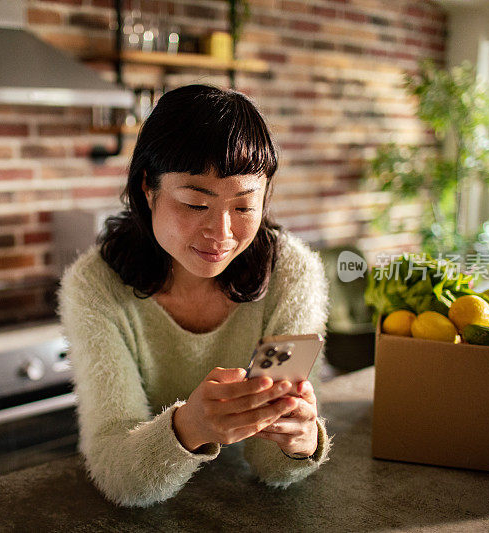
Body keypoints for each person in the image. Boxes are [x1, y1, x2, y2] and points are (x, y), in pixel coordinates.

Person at [58, 84, 331, 507]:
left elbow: (271, 463)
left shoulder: (291, 275)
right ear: (148, 189)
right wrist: (190, 428)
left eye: (243, 208)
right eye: (195, 205)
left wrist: (299, 439)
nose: (221, 234)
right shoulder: (96, 286)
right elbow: (116, 470)